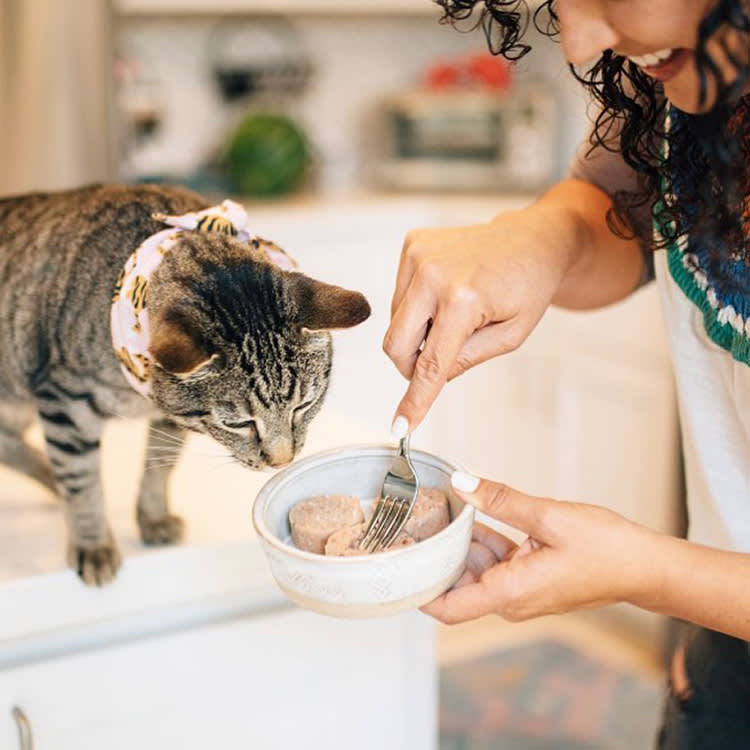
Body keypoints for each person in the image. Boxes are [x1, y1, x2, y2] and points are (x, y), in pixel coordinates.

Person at [383, 1, 750, 747]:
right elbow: (618, 209)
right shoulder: (680, 71)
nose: (581, 40)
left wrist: (650, 575)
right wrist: (542, 235)